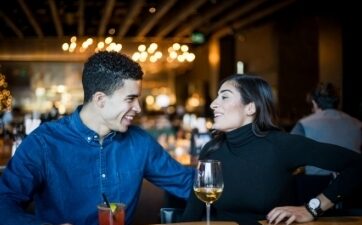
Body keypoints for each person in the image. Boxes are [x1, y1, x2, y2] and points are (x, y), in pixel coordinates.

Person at [0, 51, 194, 225]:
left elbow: (189, 183)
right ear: (100, 99)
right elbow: (4, 201)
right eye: (130, 99)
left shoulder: (140, 142)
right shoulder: (43, 142)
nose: (138, 108)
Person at [181, 74, 362, 225]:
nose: (213, 104)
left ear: (250, 107)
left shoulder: (282, 145)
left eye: (224, 96)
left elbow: (357, 166)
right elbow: (192, 214)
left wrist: (312, 208)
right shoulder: (212, 149)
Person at [291, 82, 362, 175]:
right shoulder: (358, 123)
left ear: (314, 103)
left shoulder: (304, 124)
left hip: (316, 185)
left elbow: (289, 155)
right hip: (353, 183)